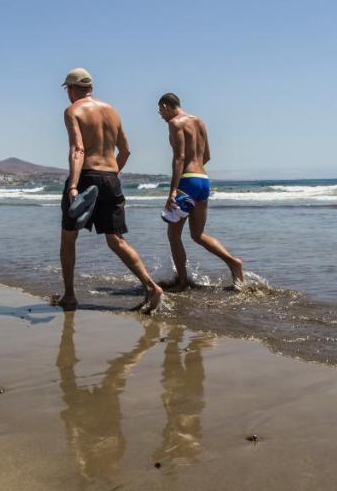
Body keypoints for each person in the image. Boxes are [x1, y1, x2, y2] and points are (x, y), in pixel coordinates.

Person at [52, 67, 163, 313]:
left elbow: (78, 150)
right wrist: (111, 175)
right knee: (116, 240)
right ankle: (151, 287)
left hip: (86, 177)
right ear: (89, 87)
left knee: (68, 239)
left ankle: (69, 296)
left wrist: (73, 185)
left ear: (70, 89)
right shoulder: (112, 111)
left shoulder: (72, 110)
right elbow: (126, 151)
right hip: (110, 178)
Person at [157, 92, 244, 289]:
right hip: (203, 180)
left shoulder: (175, 123)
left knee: (173, 236)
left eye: (160, 111)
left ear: (165, 106)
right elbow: (207, 155)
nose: (161, 116)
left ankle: (182, 281)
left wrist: (173, 191)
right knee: (198, 235)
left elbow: (179, 158)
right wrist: (195, 171)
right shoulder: (199, 122)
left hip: (186, 181)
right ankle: (234, 263)